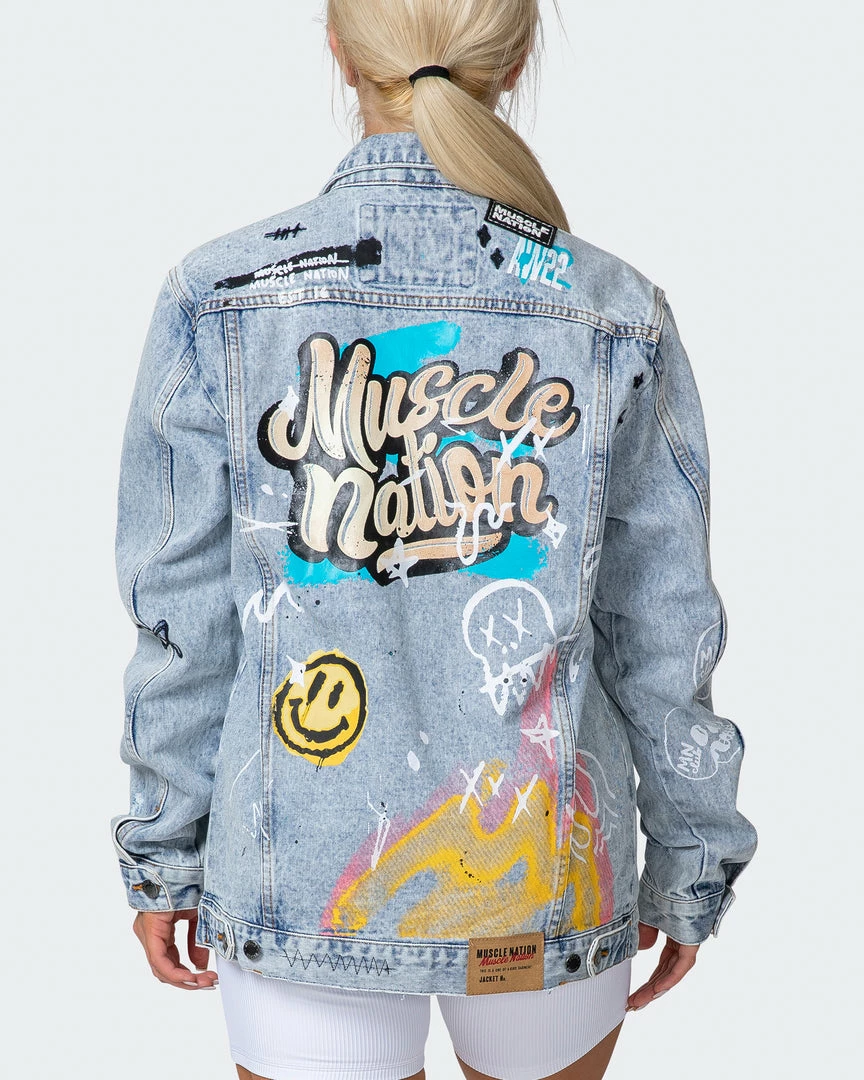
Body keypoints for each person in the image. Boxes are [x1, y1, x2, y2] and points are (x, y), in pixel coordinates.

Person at [110, 2, 758, 1079]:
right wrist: (693, 854)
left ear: (338, 48)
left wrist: (163, 851)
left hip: (297, 877)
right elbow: (664, 627)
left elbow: (183, 622)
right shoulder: (613, 310)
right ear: (518, 55)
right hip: (548, 878)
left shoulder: (220, 297)